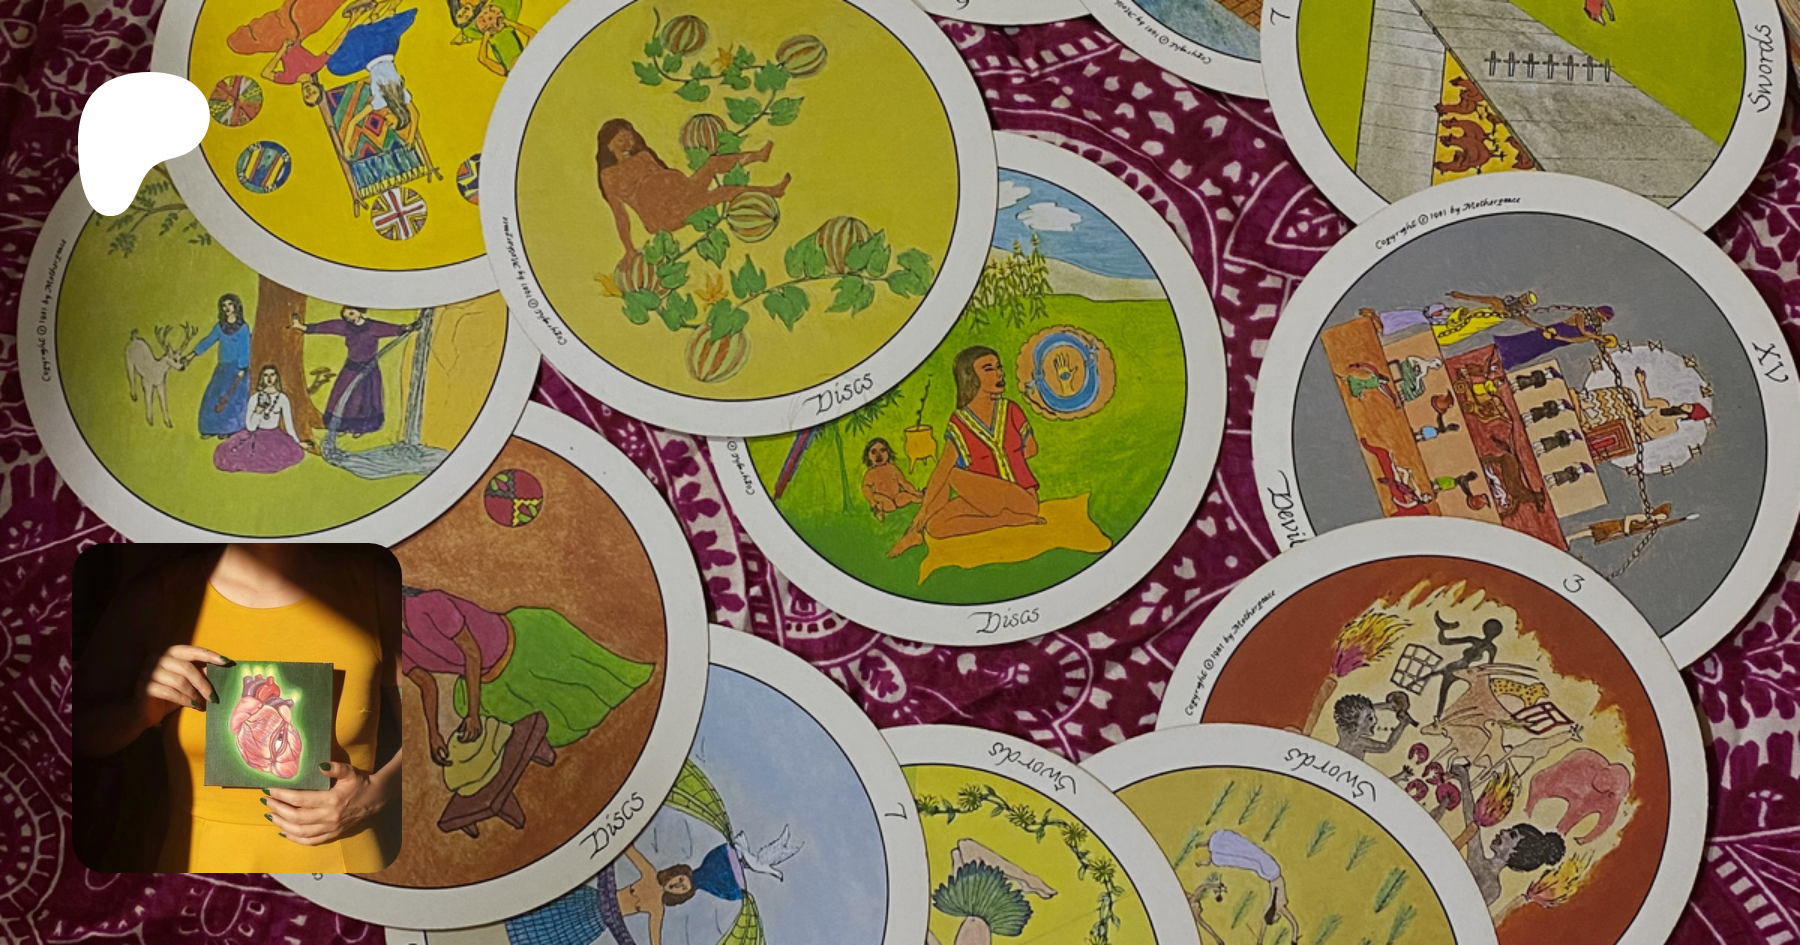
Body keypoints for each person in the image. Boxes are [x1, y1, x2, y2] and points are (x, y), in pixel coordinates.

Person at [71, 546, 400, 871]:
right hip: (201, 875)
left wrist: (378, 793)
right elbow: (71, 737)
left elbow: (429, 732)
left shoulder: (376, 588)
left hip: (348, 869)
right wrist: (138, 713)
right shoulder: (157, 595)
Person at [399, 586, 654, 765]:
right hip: (489, 681)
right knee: (467, 706)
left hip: (520, 644)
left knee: (589, 683)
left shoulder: (428, 605)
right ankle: (542, 749)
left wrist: (473, 715)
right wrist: (434, 734)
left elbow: (472, 654)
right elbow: (426, 685)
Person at [891, 347, 1045, 557]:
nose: (999, 373)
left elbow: (1032, 448)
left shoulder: (1010, 409)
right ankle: (1004, 520)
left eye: (998, 367)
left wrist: (998, 467)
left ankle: (915, 527)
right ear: (970, 377)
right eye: (989, 369)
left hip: (1022, 499)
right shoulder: (960, 421)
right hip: (988, 502)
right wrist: (983, 482)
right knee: (936, 526)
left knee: (949, 472)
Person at [597, 119, 790, 267]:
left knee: (713, 163)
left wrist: (678, 183)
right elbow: (620, 214)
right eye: (621, 140)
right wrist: (629, 249)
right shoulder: (609, 176)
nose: (628, 143)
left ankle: (758, 156)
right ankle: (771, 191)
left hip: (682, 192)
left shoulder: (643, 155)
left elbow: (662, 177)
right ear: (609, 145)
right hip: (665, 215)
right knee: (720, 193)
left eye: (630, 138)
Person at [1450, 764, 1566, 905]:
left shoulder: (1493, 888)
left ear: (1517, 854)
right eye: (1509, 830)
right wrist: (1464, 781)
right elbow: (1470, 815)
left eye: (1512, 835)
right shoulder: (1478, 861)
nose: (1503, 831)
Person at [291, 306, 410, 437]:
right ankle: (341, 426)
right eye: (346, 317)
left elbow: (391, 329)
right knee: (343, 397)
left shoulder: (373, 327)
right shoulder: (346, 327)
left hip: (369, 370)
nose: (350, 318)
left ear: (360, 311)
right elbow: (328, 327)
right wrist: (303, 327)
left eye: (352, 314)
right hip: (351, 369)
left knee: (365, 400)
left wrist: (405, 328)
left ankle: (361, 428)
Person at [927, 838, 1057, 945]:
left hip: (971, 904)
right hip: (986, 907)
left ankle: (1027, 880)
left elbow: (926, 934)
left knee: (958, 853)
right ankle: (1027, 880)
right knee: (966, 847)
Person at [1190, 830, 1302, 945]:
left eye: (1275, 921)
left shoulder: (1273, 906)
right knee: (1247, 855)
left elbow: (1273, 924)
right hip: (1270, 872)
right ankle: (1214, 850)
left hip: (1270, 874)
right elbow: (1293, 924)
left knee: (1247, 856)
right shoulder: (1279, 907)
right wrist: (1293, 940)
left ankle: (1214, 850)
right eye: (1275, 921)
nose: (1277, 920)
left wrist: (1260, 941)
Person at [214, 365, 306, 474]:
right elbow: (250, 427)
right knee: (232, 455)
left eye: (272, 375)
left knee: (292, 454)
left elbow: (289, 425)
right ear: (262, 378)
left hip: (275, 436)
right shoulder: (255, 398)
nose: (269, 378)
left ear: (277, 377)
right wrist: (257, 412)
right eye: (266, 375)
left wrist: (297, 441)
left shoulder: (282, 398)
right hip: (257, 436)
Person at [191, 294, 253, 438]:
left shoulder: (242, 327)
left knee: (233, 399)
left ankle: (228, 430)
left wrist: (242, 368)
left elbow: (245, 348)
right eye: (224, 305)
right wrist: (193, 354)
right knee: (213, 397)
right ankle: (210, 428)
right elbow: (208, 341)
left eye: (230, 304)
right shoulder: (220, 327)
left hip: (238, 369)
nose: (227, 308)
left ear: (236, 306)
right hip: (223, 368)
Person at [450, 0, 536, 76]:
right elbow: (532, 34)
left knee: (470, 22)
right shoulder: (527, 56)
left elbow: (482, 58)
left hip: (487, 28)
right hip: (501, 21)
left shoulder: (505, 70)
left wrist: (486, 37)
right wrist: (508, 22)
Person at [1334, 692, 1414, 762]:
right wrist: (1403, 724)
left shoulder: (1342, 729)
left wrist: (1388, 705)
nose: (1375, 721)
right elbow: (1387, 746)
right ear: (1355, 723)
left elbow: (1357, 712)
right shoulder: (1358, 743)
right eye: (1370, 718)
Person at [861, 437, 923, 521]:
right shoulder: (871, 473)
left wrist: (914, 492)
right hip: (883, 498)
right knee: (890, 506)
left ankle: (922, 500)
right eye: (874, 452)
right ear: (868, 456)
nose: (878, 454)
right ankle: (878, 510)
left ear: (888, 452)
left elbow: (904, 483)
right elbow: (865, 488)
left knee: (909, 497)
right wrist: (872, 500)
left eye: (883, 450)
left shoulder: (892, 468)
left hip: (897, 496)